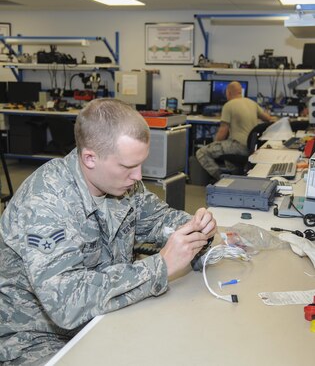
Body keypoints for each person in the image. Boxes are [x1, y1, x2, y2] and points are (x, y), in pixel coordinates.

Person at [0, 98, 216, 365]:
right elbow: (66, 303)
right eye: (128, 166)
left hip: (100, 315)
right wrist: (160, 266)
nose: (138, 176)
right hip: (34, 338)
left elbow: (158, 218)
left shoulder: (122, 184)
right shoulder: (45, 203)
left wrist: (195, 226)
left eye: (141, 164)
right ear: (90, 158)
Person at [196, 81, 272, 182]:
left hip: (238, 146)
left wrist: (213, 145)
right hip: (251, 147)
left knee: (201, 152)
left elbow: (222, 132)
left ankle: (222, 179)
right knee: (227, 151)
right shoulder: (252, 103)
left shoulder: (229, 105)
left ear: (228, 93)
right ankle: (235, 177)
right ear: (240, 92)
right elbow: (268, 119)